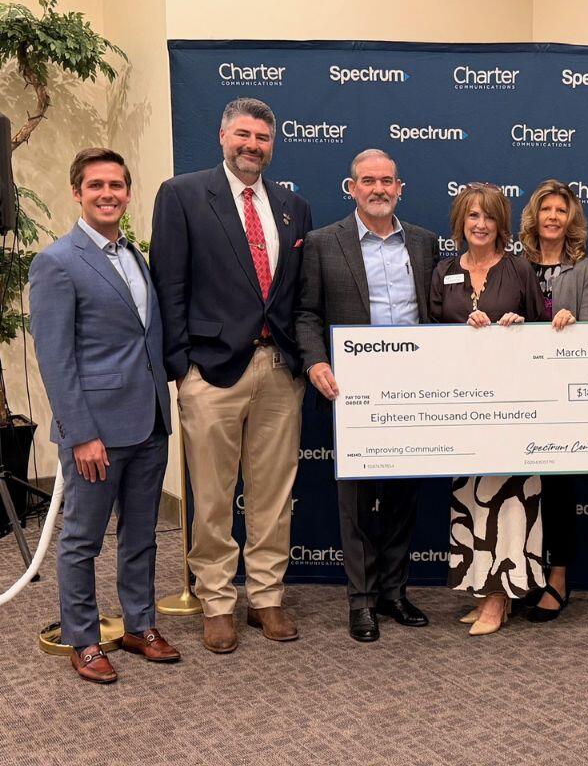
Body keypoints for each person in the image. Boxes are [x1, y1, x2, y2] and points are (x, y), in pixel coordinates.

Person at [150, 97, 313, 653]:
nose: (252, 145)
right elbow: (168, 285)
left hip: (279, 368)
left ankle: (266, 596)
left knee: (273, 493)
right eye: (243, 134)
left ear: (272, 145)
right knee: (213, 496)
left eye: (262, 137)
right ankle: (217, 601)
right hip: (210, 369)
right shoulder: (182, 195)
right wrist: (181, 368)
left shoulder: (293, 206)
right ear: (222, 137)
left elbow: (297, 293)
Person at [29, 148, 178, 682]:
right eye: (96, 186)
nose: (107, 194)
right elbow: (55, 359)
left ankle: (140, 625)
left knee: (141, 535)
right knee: (82, 540)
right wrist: (80, 434)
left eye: (116, 185)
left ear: (128, 193)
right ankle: (83, 639)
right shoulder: (56, 262)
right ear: (77, 193)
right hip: (96, 432)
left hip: (149, 423)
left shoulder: (134, 254)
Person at [295, 149, 437, 642]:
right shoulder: (322, 242)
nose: (379, 189)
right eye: (368, 181)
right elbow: (306, 313)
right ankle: (361, 600)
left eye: (387, 181)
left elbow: (436, 311)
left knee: (403, 495)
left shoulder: (423, 242)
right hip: (353, 390)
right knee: (355, 500)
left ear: (400, 188)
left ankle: (394, 591)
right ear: (351, 187)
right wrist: (315, 361)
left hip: (413, 387)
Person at [430, 183, 548, 636]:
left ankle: (500, 597)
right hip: (461, 406)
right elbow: (428, 335)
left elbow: (542, 333)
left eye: (490, 217)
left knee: (508, 497)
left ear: (502, 225)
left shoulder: (519, 269)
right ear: (460, 221)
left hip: (512, 408)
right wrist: (461, 331)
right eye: (473, 216)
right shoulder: (444, 271)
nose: (481, 225)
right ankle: (482, 589)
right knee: (471, 496)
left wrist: (517, 326)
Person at [517, 179, 588, 622]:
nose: (553, 216)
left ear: (571, 220)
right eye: (546, 209)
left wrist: (575, 325)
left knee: (559, 491)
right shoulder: (515, 264)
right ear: (535, 216)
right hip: (517, 395)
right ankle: (519, 578)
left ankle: (559, 578)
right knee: (520, 491)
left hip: (562, 400)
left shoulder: (584, 270)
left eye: (561, 210)